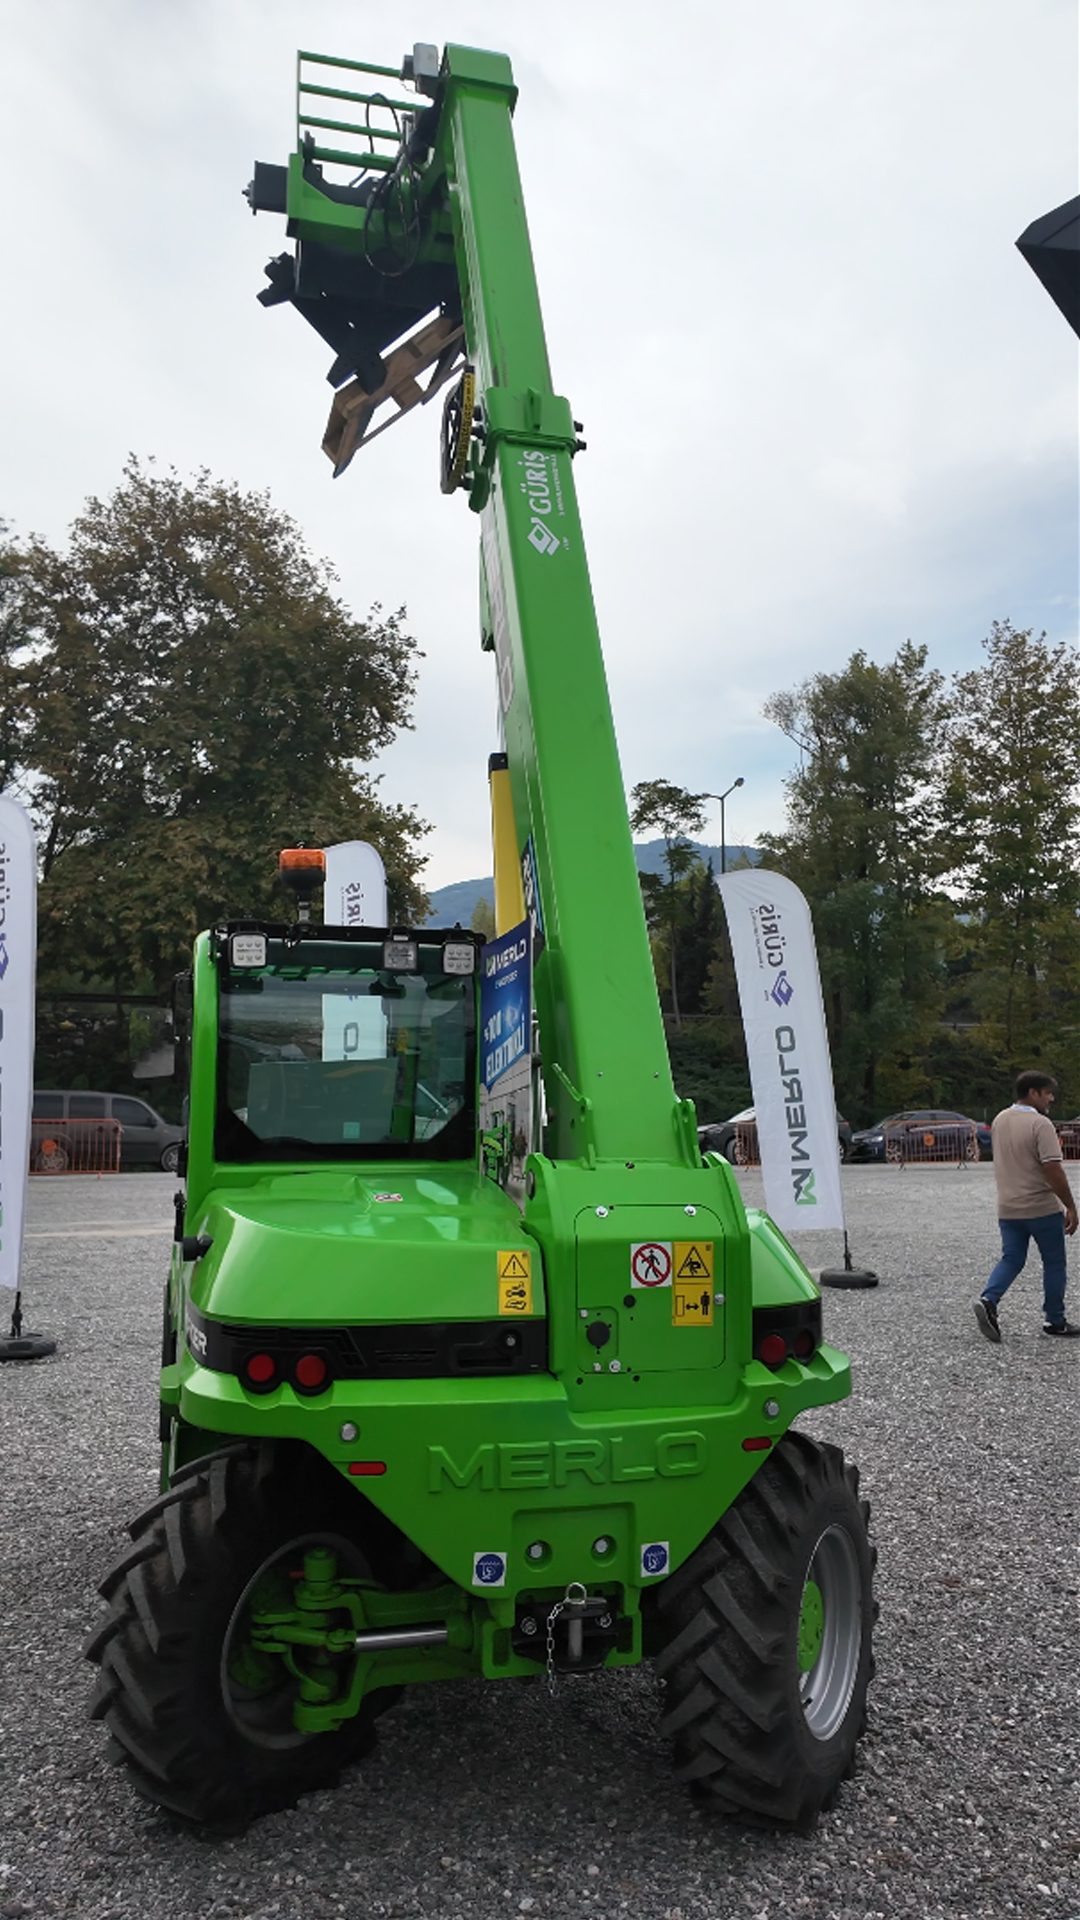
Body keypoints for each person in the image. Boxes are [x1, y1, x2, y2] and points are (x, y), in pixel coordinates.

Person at [974, 1070, 1080, 1342]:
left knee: (1012, 1258)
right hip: (1041, 1207)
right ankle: (1055, 1320)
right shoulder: (1040, 1124)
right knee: (1054, 1262)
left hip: (1008, 1207)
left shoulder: (1000, 1119)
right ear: (1033, 1093)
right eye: (1048, 1093)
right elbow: (1053, 1169)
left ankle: (989, 1299)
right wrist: (1070, 1205)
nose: (1051, 1099)